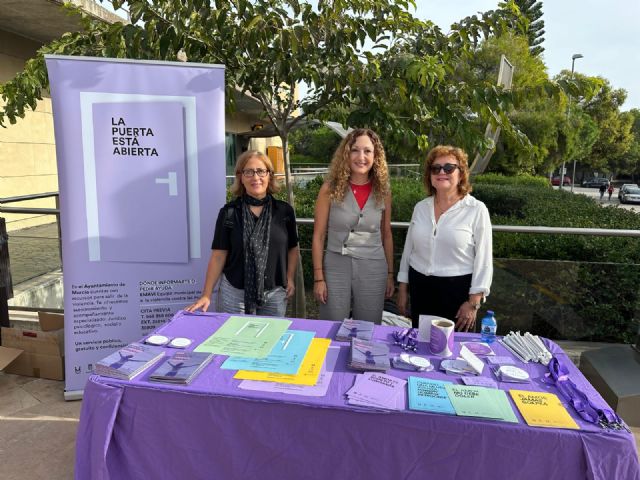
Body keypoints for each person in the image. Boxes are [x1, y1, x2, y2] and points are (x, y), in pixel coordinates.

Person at [186, 151, 299, 316]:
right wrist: (206, 294)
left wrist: (290, 278)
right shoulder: (229, 213)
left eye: (261, 171)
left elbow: (292, 249)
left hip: (275, 293)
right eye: (248, 172)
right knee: (234, 333)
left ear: (269, 175)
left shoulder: (284, 211)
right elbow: (218, 256)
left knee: (271, 333)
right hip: (234, 293)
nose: (255, 177)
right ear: (240, 177)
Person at [397, 145, 493, 332]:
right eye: (436, 168)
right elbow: (409, 249)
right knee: (422, 344)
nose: (442, 172)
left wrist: (473, 302)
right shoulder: (420, 208)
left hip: (457, 294)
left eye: (449, 168)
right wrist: (402, 288)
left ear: (461, 173)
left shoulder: (476, 209)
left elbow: (484, 260)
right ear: (430, 175)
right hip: (421, 290)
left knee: (455, 348)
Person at [312, 128, 394, 324]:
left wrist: (390, 274)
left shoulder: (383, 191)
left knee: (367, 327)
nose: (361, 157)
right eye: (355, 150)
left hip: (373, 266)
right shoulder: (329, 189)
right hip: (336, 265)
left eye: (367, 151)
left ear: (376, 156)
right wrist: (318, 278)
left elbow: (387, 234)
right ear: (346, 154)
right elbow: (318, 236)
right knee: (332, 324)